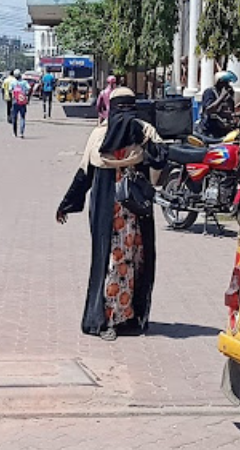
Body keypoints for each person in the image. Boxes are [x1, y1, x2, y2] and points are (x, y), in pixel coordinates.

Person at [56, 88, 167, 341]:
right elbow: (162, 159)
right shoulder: (142, 131)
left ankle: (118, 318)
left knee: (118, 263)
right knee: (124, 262)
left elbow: (84, 175)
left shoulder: (102, 135)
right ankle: (111, 318)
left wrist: (66, 204)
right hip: (132, 214)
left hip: (114, 213)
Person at [199, 70, 237, 138]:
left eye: (228, 83)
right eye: (224, 83)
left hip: (223, 130)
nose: (227, 86)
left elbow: (230, 111)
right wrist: (221, 97)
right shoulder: (210, 92)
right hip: (209, 130)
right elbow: (209, 110)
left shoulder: (228, 96)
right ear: (218, 83)